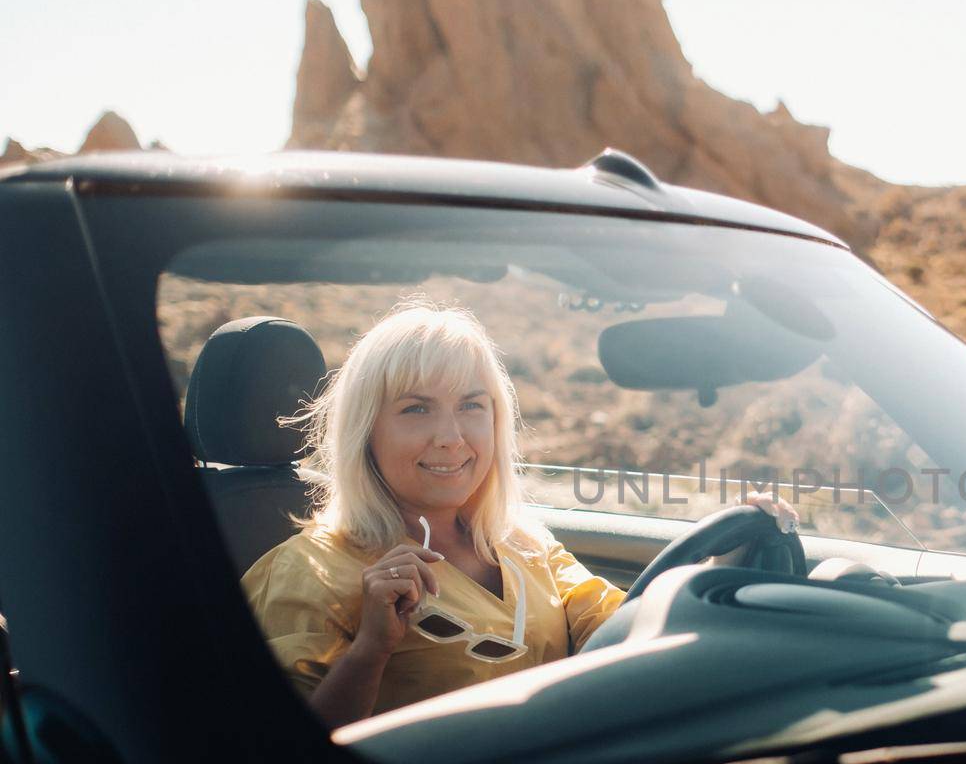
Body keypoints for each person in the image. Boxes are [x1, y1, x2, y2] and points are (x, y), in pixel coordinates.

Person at [242, 301, 796, 727]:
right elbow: (286, 763)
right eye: (416, 409)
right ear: (366, 431)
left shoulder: (525, 544)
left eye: (471, 406)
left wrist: (719, 567)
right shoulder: (304, 572)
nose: (450, 437)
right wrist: (372, 648)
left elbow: (625, 629)